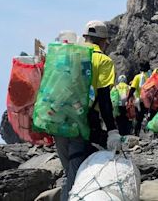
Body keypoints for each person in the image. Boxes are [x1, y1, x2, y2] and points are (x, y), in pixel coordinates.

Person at [54, 20, 120, 201]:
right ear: (104, 41)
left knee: (69, 172)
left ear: (85, 37)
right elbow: (104, 99)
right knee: (77, 174)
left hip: (56, 118)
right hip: (81, 122)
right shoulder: (103, 60)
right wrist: (112, 130)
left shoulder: (68, 54)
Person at [127, 61, 152, 136]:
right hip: (150, 100)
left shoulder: (137, 77)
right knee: (150, 116)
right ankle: (154, 134)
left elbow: (132, 89)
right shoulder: (151, 77)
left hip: (140, 100)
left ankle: (136, 133)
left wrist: (129, 98)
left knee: (139, 118)